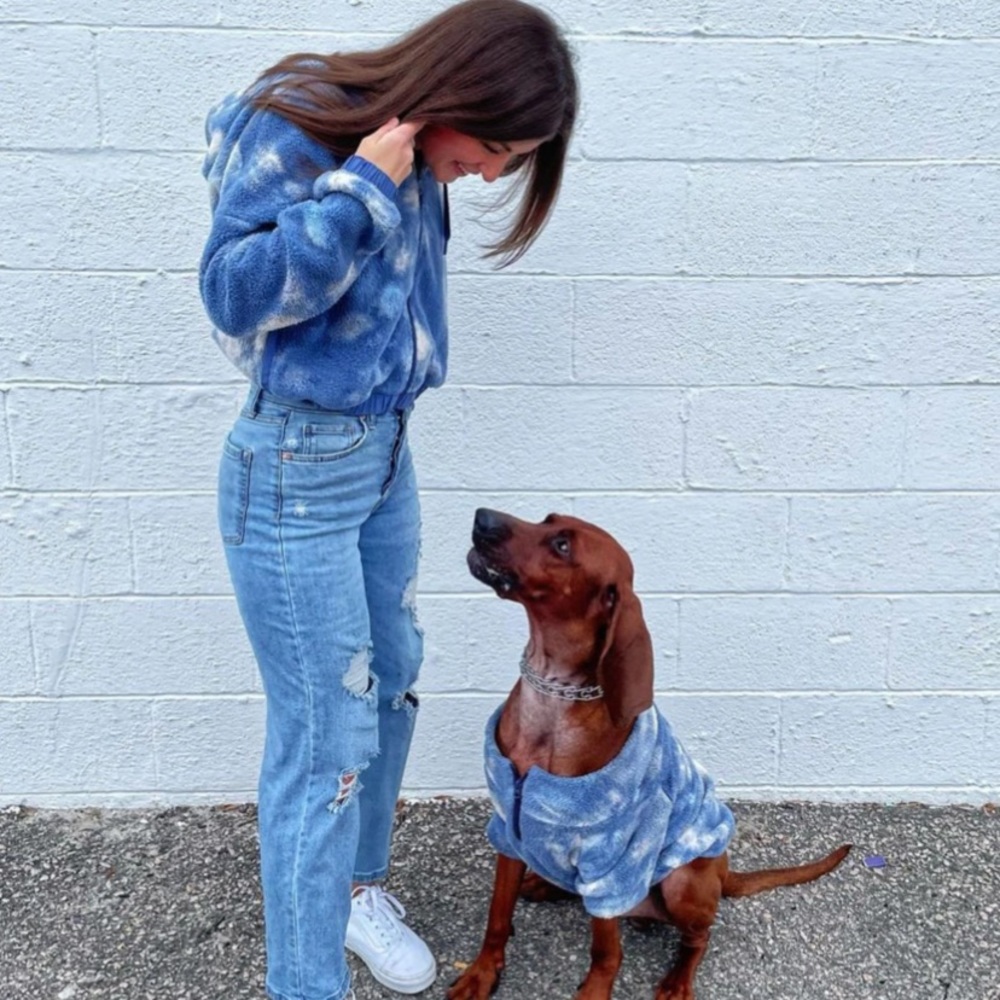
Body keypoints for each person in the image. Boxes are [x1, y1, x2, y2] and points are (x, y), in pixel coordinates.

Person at [197, 2, 578, 998]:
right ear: (455, 98)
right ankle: (305, 982)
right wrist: (360, 192)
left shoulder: (426, 165)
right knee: (322, 738)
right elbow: (231, 292)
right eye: (493, 149)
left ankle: (355, 891)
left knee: (393, 674)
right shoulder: (298, 121)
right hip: (295, 466)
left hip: (383, 452)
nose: (488, 175)